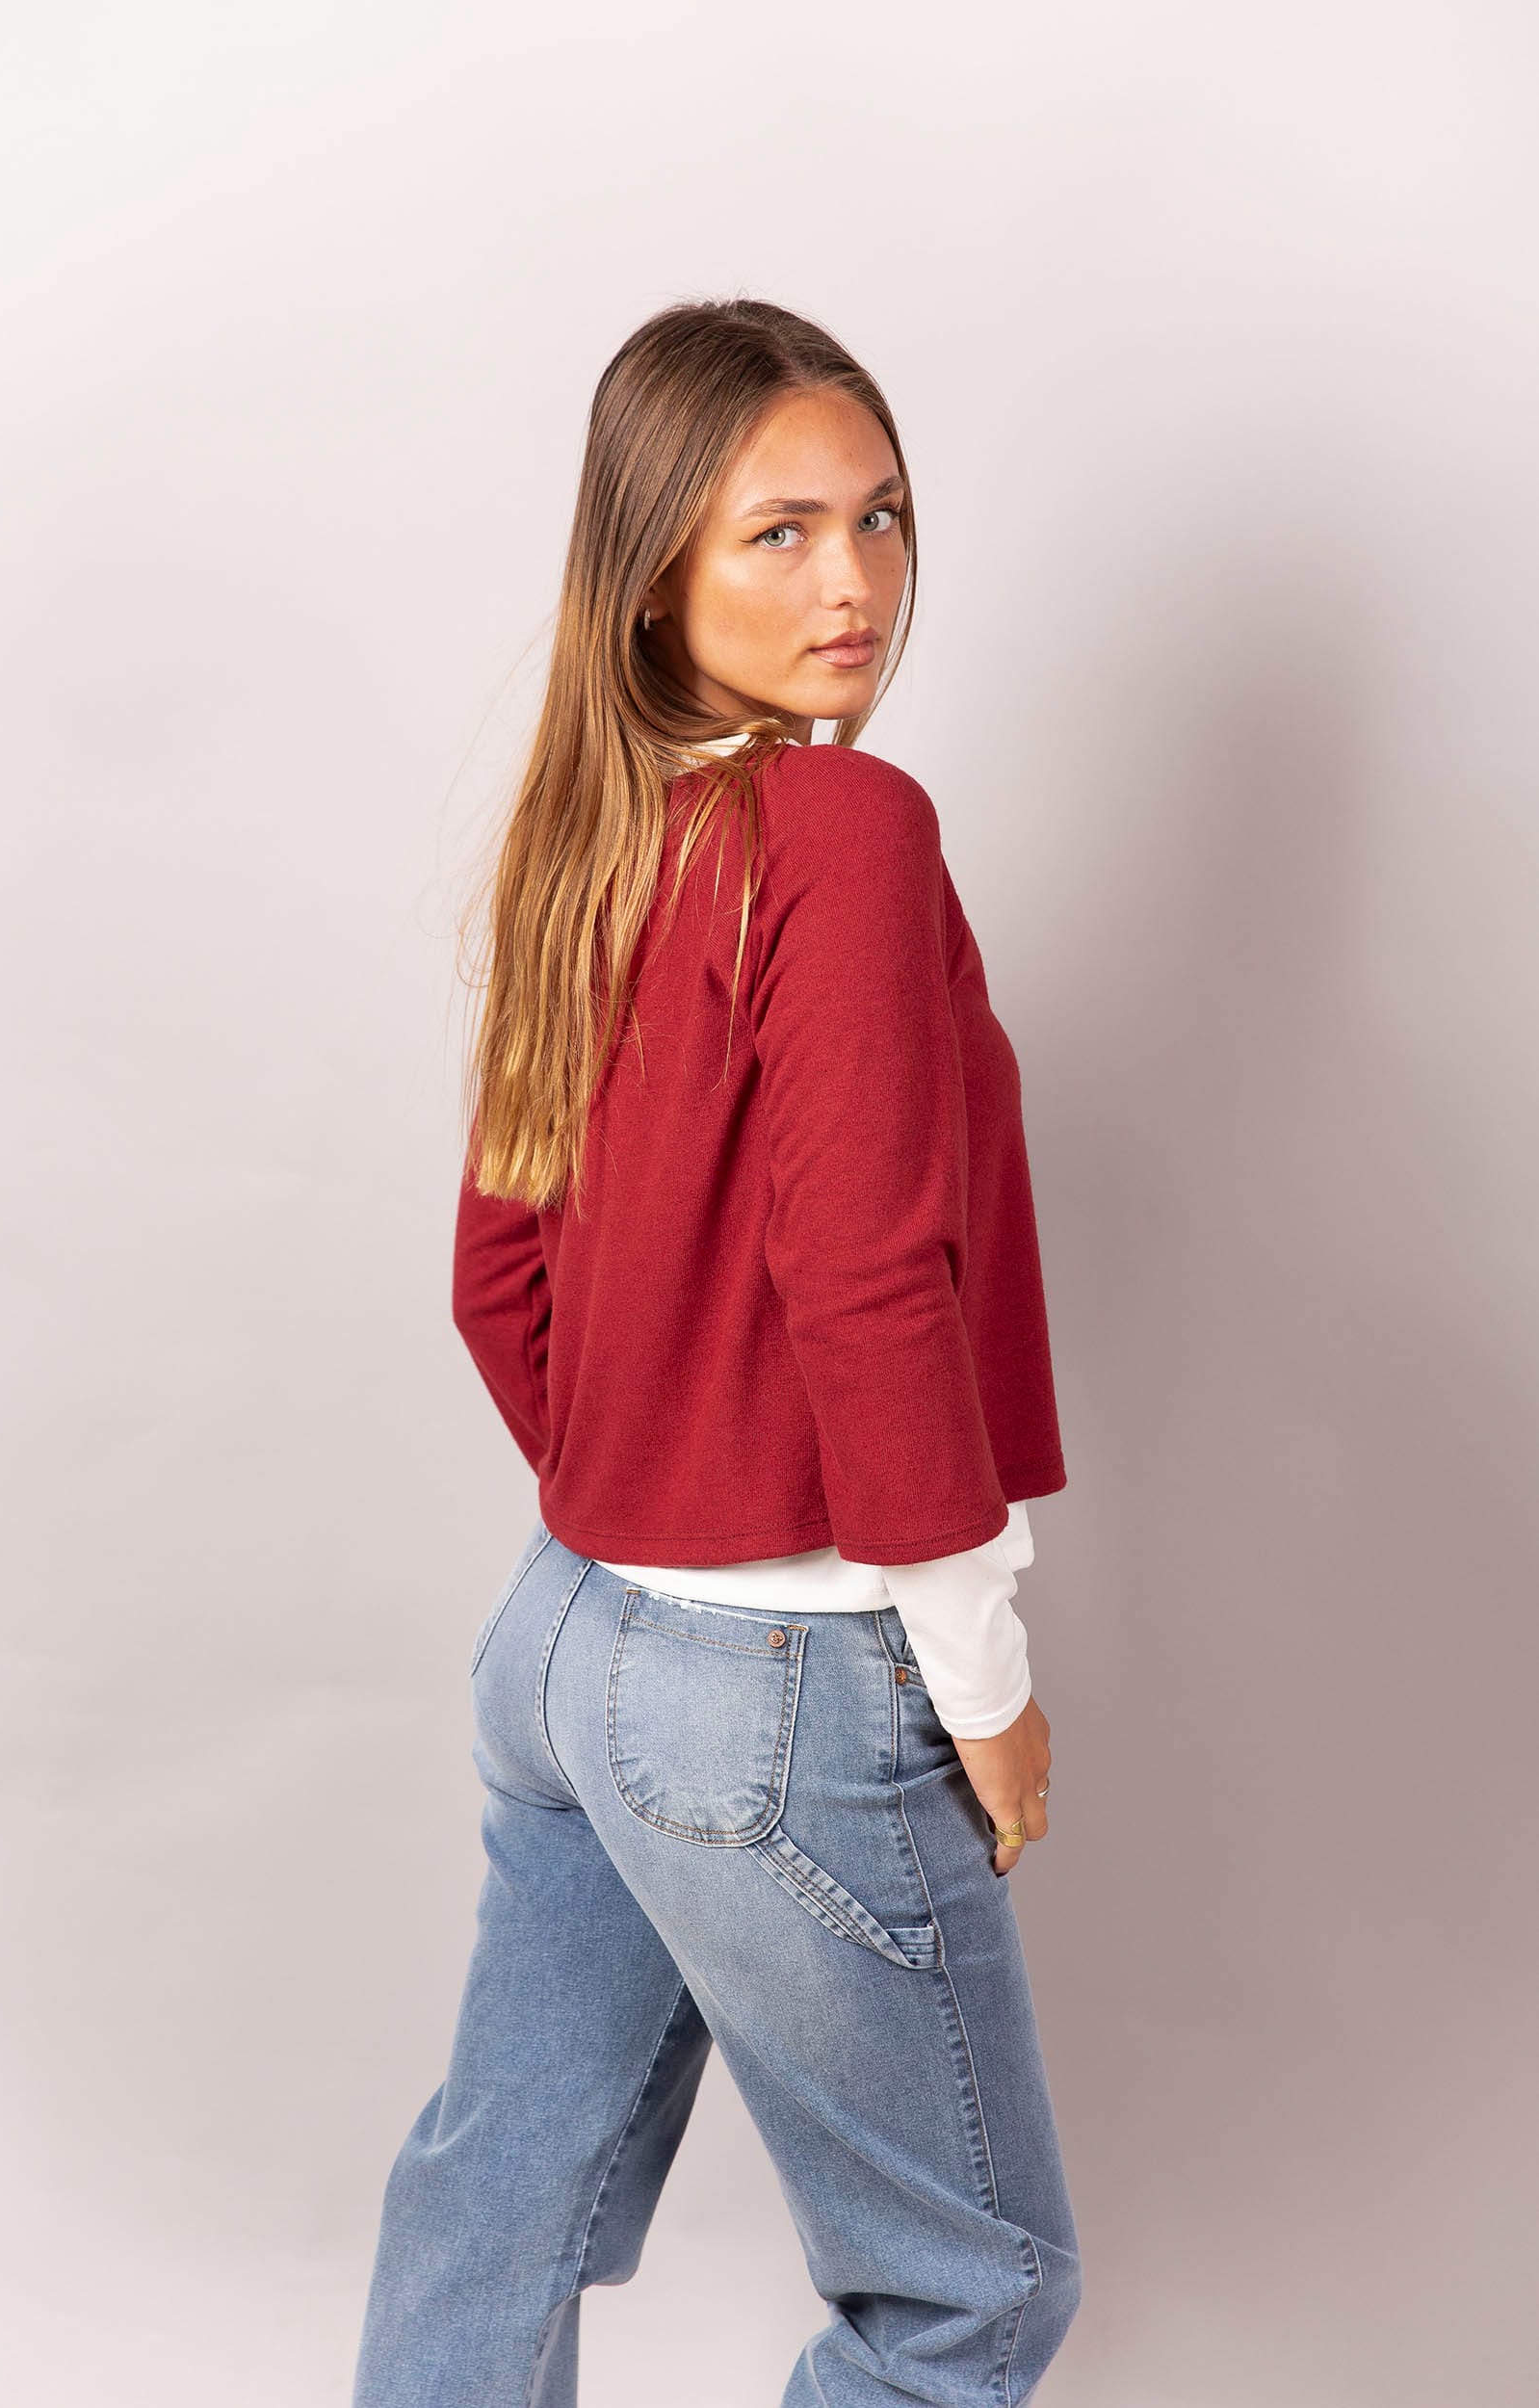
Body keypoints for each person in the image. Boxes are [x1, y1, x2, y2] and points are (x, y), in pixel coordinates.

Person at [351, 297, 1083, 2408]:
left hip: (566, 1642)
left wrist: (645, 1512)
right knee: (970, 2297)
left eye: (882, 517)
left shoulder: (590, 835)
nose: (855, 580)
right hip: (777, 1680)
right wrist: (984, 1682)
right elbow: (872, 1282)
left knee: (499, 2203)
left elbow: (498, 1274)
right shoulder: (842, 836)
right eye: (780, 532)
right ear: (656, 571)